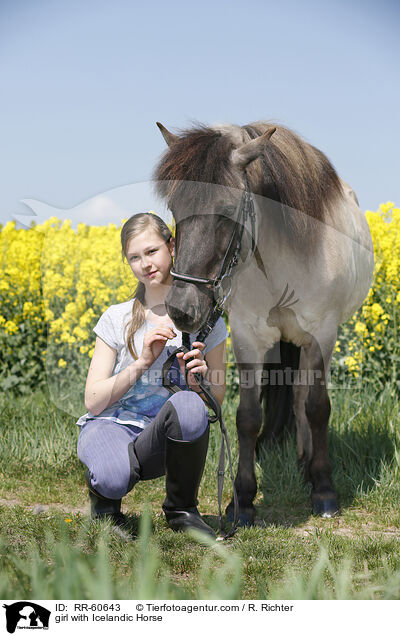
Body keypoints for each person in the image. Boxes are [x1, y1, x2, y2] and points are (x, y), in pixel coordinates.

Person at [76, 212, 228, 538]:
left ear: (172, 246)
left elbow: (215, 399)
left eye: (151, 251)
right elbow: (93, 401)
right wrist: (142, 361)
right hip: (110, 425)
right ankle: (104, 506)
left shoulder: (207, 321)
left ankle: (182, 510)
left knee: (189, 404)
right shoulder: (116, 317)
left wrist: (197, 386)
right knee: (113, 477)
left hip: (160, 439)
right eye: (134, 257)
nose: (145, 264)